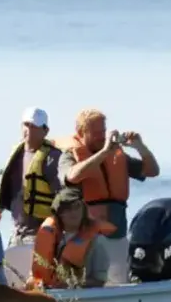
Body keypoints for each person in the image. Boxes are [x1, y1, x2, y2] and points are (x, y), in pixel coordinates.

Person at [54, 108, 160, 285]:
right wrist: (103, 152)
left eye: (103, 131)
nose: (101, 136)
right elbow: (71, 176)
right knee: (88, 283)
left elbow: (152, 171)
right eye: (96, 133)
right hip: (87, 237)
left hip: (116, 233)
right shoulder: (70, 155)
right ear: (81, 133)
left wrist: (140, 147)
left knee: (119, 284)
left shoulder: (116, 155)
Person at [0, 107, 62, 247]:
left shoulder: (52, 158)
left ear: (45, 131)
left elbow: (63, 198)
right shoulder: (16, 154)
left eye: (35, 127)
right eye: (26, 125)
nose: (29, 130)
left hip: (41, 233)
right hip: (17, 232)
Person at [27, 188, 113, 290]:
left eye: (77, 206)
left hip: (83, 298)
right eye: (67, 209)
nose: (73, 212)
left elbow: (99, 281)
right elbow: (36, 274)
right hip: (50, 297)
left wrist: (72, 284)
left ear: (83, 208)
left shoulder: (97, 241)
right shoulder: (50, 236)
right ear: (59, 213)